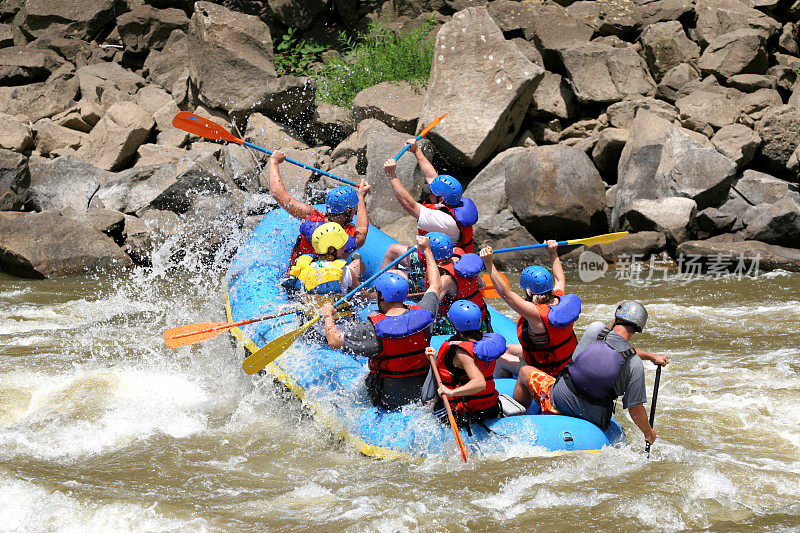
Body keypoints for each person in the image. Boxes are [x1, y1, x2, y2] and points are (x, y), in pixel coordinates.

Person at [515, 301, 667, 445]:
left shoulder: (596, 330)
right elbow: (635, 409)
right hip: (593, 418)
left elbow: (577, 359)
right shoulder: (634, 364)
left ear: (616, 318)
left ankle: (518, 418)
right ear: (637, 329)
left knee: (524, 371)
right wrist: (648, 433)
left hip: (559, 401)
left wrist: (650, 356)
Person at [319, 236, 442, 410]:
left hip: (389, 398)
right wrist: (428, 250)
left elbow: (334, 340)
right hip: (422, 394)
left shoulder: (373, 328)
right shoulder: (425, 313)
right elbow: (435, 286)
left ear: (381, 296)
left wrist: (328, 316)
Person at [379, 146, 478, 289]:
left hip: (436, 270)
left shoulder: (442, 220)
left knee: (393, 274)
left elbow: (409, 205)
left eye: (431, 194)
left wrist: (391, 174)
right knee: (393, 249)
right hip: (441, 257)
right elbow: (433, 178)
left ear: (441, 199)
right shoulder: (455, 204)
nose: (428, 195)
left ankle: (383, 291)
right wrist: (417, 151)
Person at [480, 242, 581, 379]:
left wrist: (489, 263)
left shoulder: (535, 313)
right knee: (508, 349)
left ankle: (505, 386)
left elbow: (505, 293)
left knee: (498, 358)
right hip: (564, 363)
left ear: (528, 291)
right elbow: (559, 278)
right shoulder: (560, 297)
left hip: (548, 371)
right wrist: (553, 252)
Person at [268, 150, 370, 264]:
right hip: (330, 278)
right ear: (347, 210)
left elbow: (278, 194)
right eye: (355, 207)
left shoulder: (311, 215)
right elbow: (362, 229)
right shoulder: (349, 234)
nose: (356, 210)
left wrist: (274, 162)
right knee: (359, 265)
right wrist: (361, 196)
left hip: (300, 274)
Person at [429, 300, 507, 426]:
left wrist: (451, 393)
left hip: (466, 413)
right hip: (490, 407)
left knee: (429, 411)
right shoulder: (485, 342)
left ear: (453, 324)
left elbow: (480, 383)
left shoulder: (461, 352)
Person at [284, 222, 365, 296]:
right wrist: (374, 292)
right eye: (342, 246)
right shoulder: (346, 271)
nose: (344, 248)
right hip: (335, 311)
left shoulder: (304, 267)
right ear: (331, 250)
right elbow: (362, 296)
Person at [426, 245, 490, 335]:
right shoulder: (469, 269)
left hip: (460, 325)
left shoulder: (446, 279)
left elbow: (431, 304)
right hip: (480, 317)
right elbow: (482, 284)